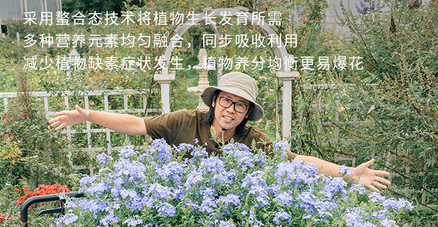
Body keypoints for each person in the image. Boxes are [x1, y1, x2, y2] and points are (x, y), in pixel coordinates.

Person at [50, 72, 390, 192]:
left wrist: (348, 173)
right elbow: (138, 125)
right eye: (226, 101)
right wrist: (89, 116)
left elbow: (296, 161)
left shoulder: (252, 141)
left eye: (240, 106)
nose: (231, 109)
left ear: (247, 114)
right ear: (215, 101)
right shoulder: (184, 121)